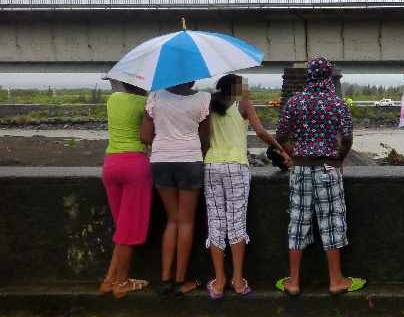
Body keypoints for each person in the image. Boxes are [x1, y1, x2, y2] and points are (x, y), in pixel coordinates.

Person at [274, 56, 366, 296]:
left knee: (298, 220)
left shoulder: (294, 102)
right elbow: (346, 139)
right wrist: (339, 158)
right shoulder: (338, 104)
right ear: (329, 75)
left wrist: (294, 154)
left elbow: (281, 136)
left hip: (301, 168)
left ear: (310, 75)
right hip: (328, 168)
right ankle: (336, 280)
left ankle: (293, 281)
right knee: (332, 220)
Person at [203, 74, 290, 299]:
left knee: (216, 223)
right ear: (236, 87)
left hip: (212, 166)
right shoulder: (243, 103)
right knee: (236, 223)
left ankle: (219, 281)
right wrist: (280, 148)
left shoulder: (209, 102)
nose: (247, 87)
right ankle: (238, 281)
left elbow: (203, 138)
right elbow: (260, 132)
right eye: (244, 84)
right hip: (236, 167)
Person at [140, 81, 211, 296]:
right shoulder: (203, 98)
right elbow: (206, 139)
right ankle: (181, 280)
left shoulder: (155, 97)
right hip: (189, 160)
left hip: (161, 160)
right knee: (186, 220)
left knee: (172, 219)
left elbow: (144, 136)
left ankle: (165, 279)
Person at [99, 79, 152, 298]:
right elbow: (148, 137)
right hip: (135, 166)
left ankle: (109, 279)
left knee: (122, 226)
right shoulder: (146, 103)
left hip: (111, 164)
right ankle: (122, 283)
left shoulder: (113, 99)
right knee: (130, 229)